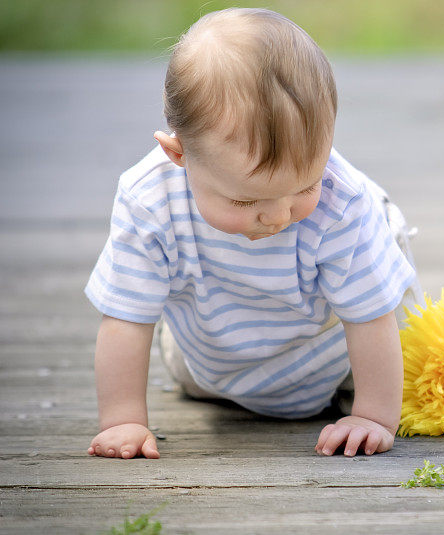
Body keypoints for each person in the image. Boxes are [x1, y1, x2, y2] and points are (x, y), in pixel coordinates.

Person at [84, 7, 423, 460]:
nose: (280, 215)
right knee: (173, 341)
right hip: (208, 359)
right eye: (246, 201)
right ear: (177, 153)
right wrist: (124, 419)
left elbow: (369, 318)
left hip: (330, 352)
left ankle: (386, 254)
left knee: (389, 304)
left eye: (305, 185)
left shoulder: (342, 203)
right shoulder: (149, 201)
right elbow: (126, 316)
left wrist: (374, 415)